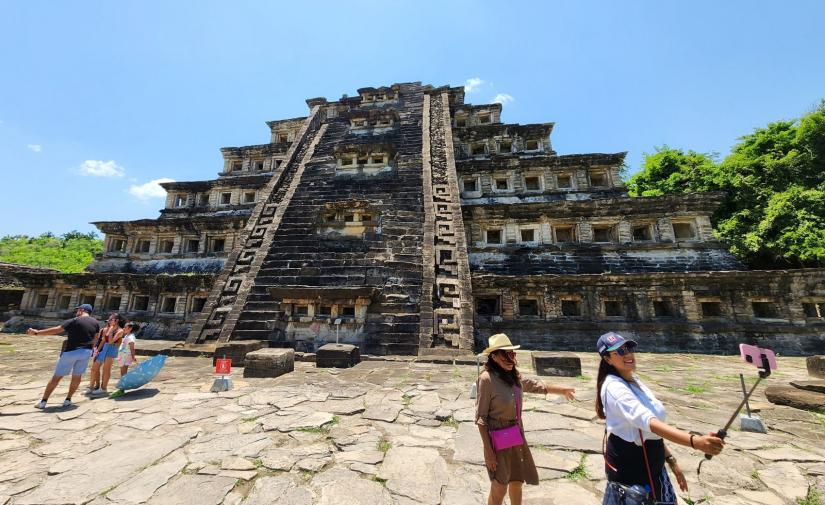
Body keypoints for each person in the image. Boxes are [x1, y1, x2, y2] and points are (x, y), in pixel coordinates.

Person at [596, 332, 725, 504]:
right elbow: (648, 422)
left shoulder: (634, 380)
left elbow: (651, 431)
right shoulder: (613, 387)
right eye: (619, 352)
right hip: (631, 468)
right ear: (607, 359)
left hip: (653, 463)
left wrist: (671, 461)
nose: (627, 354)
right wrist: (695, 442)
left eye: (628, 348)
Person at [476, 333, 576, 505]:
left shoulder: (514, 376)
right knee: (499, 486)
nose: (510, 359)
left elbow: (534, 385)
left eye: (512, 354)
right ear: (494, 356)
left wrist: (562, 390)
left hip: (516, 435)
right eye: (505, 354)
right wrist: (488, 451)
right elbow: (481, 418)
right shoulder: (486, 379)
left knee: (516, 481)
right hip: (496, 438)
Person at [27, 303, 100, 409]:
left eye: (77, 310)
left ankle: (43, 401)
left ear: (81, 310)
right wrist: (90, 350)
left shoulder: (75, 320)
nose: (76, 312)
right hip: (86, 352)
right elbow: (96, 338)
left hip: (71, 351)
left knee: (57, 377)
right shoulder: (96, 322)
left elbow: (57, 330)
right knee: (77, 376)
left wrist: (37, 332)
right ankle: (68, 399)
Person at [87, 313, 125, 397]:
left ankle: (103, 388)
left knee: (106, 369)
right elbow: (104, 340)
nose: (110, 321)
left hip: (112, 349)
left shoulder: (120, 331)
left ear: (117, 321)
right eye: (110, 319)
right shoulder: (107, 328)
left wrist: (111, 330)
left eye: (111, 319)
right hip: (104, 349)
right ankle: (91, 387)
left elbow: (111, 341)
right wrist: (98, 351)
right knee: (94, 368)